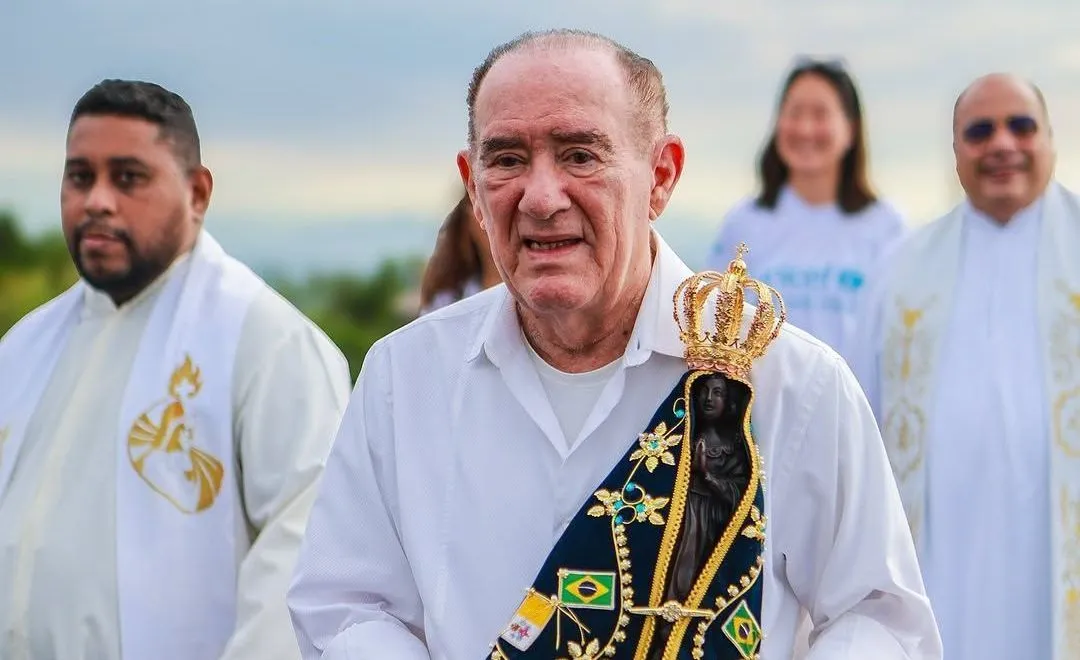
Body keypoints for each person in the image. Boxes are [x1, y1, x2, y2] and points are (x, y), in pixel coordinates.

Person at [287, 29, 941, 659]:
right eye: (507, 159)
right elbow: (348, 605)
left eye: (580, 155)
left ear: (661, 175)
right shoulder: (404, 379)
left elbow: (878, 618)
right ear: (473, 187)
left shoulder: (792, 384)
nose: (541, 198)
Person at [0, 79, 352, 660]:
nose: (97, 201)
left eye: (128, 177)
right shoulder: (23, 347)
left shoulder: (269, 344)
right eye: (80, 176)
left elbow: (304, 565)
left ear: (197, 192)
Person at [850, 72, 1080, 659]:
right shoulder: (900, 271)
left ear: (1049, 137)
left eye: (1021, 126)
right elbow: (859, 428)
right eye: (980, 131)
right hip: (939, 565)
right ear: (956, 152)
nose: (1002, 143)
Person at [706, 59, 906, 364]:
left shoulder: (887, 227)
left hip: (855, 394)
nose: (805, 128)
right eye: (794, 113)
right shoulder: (744, 223)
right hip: (760, 394)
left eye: (820, 114)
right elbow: (714, 320)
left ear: (851, 128)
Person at [419, 189, 501, 315]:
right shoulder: (445, 302)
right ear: (467, 219)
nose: (488, 221)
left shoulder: (530, 294)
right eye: (481, 207)